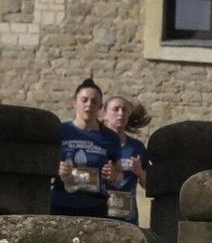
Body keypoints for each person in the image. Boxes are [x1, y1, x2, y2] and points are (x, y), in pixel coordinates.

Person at [50, 78, 121, 218]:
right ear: (74, 103)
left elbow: (119, 177)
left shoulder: (111, 137)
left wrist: (114, 175)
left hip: (95, 207)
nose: (89, 104)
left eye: (94, 101)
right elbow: (45, 165)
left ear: (100, 106)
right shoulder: (60, 131)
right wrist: (56, 168)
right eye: (84, 100)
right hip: (60, 203)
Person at [101, 95, 149, 225]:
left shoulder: (137, 147)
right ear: (104, 114)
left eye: (124, 110)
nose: (120, 113)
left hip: (127, 217)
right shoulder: (96, 143)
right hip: (99, 213)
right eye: (116, 109)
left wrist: (140, 172)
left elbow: (148, 185)